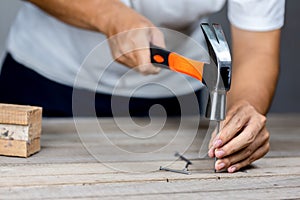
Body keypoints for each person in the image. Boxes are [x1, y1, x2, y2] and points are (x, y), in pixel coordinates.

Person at [0, 0, 285, 173]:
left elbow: (257, 51)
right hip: (47, 79)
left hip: (171, 102)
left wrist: (245, 107)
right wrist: (109, 16)